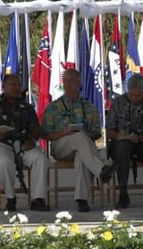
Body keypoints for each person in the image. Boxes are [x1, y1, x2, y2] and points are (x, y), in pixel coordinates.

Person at [42, 69, 117, 212]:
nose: (68, 84)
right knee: (79, 138)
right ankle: (101, 170)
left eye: (71, 81)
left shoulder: (88, 106)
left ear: (79, 83)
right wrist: (65, 132)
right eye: (65, 81)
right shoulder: (53, 107)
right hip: (61, 147)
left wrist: (86, 134)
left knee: (82, 155)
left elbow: (96, 132)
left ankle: (81, 200)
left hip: (83, 147)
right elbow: (45, 135)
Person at [0, 74, 49, 211]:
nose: (16, 88)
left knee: (40, 157)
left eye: (18, 85)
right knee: (5, 161)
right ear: (4, 86)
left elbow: (35, 128)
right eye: (13, 85)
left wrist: (32, 140)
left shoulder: (26, 107)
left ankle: (38, 200)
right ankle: (11, 198)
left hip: (22, 145)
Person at [106, 73, 143, 208]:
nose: (134, 98)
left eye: (138, 96)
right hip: (122, 142)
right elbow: (108, 131)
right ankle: (123, 194)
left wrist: (142, 138)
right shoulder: (118, 103)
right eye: (131, 94)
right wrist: (120, 135)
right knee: (121, 149)